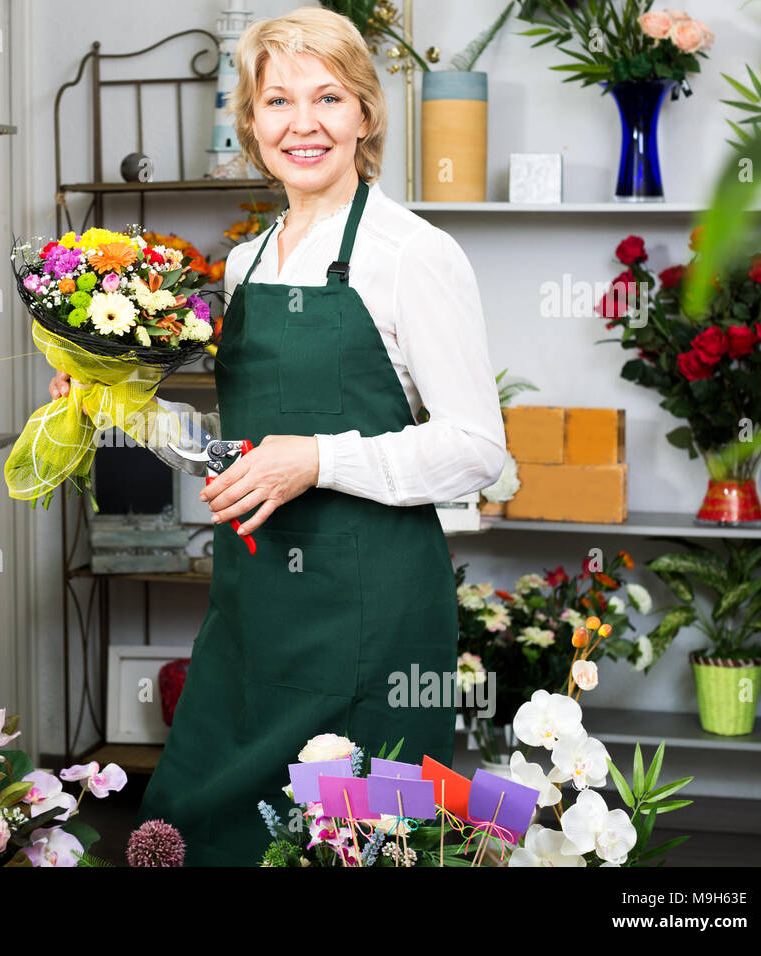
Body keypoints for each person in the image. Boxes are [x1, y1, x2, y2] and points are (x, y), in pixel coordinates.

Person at [50, 6, 505, 866]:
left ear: (365, 115)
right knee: (193, 831)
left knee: (359, 843)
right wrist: (111, 402)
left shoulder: (413, 254)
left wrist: (320, 458)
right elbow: (239, 449)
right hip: (254, 609)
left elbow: (481, 449)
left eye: (329, 98)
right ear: (250, 123)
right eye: (278, 101)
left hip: (370, 615)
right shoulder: (247, 261)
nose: (303, 124)